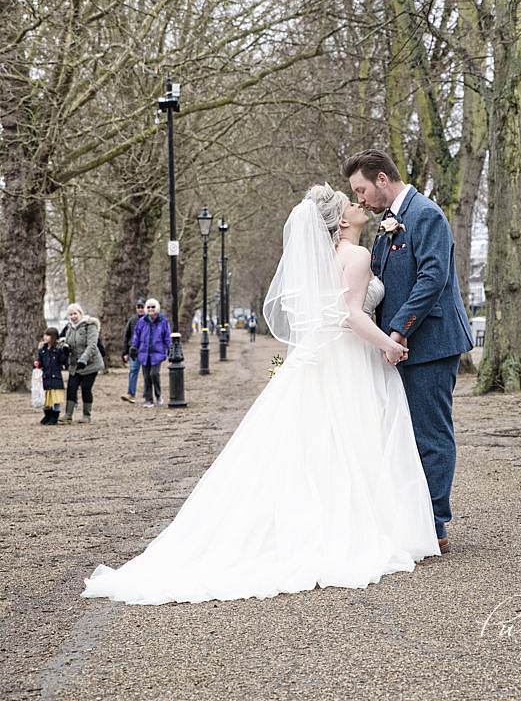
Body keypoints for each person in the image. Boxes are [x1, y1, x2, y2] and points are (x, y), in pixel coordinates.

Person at [81, 184, 439, 605]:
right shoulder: (356, 256)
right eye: (351, 203)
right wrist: (388, 344)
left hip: (319, 359)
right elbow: (350, 315)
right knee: (349, 440)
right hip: (347, 358)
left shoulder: (327, 260)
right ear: (341, 221)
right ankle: (351, 527)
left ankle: (317, 524)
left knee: (319, 444)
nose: (359, 204)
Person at [342, 150, 474, 555]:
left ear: (382, 179)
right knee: (403, 433)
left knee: (431, 434)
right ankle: (410, 516)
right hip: (399, 346)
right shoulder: (387, 224)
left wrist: (398, 330)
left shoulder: (426, 214)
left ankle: (435, 524)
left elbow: (433, 277)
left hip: (431, 343)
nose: (360, 199)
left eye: (362, 189)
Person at [63, 304, 105, 424]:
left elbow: (92, 345)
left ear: (80, 314)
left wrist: (83, 360)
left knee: (86, 388)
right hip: (75, 364)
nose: (73, 316)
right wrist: (65, 347)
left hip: (90, 363)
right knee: (71, 387)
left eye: (75, 313)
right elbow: (67, 341)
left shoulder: (90, 325)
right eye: (70, 314)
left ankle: (86, 415)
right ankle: (68, 415)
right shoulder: (69, 327)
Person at [129, 298, 170, 408]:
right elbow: (136, 335)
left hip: (157, 353)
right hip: (144, 353)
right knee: (146, 376)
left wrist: (169, 348)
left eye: (153, 307)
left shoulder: (163, 321)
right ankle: (149, 399)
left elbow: (166, 335)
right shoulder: (142, 321)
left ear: (157, 308)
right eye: (149, 307)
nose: (151, 309)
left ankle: (158, 395)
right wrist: (133, 347)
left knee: (154, 374)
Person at [36, 328, 69, 425]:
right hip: (45, 378)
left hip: (56, 378)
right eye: (45, 335)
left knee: (55, 399)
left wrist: (65, 352)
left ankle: (54, 416)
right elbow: (40, 361)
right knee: (46, 399)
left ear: (53, 337)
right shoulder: (43, 350)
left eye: (48, 335)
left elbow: (64, 362)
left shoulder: (58, 350)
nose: (45, 337)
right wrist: (36, 364)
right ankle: (47, 415)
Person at [121, 299, 146, 404]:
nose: (140, 309)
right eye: (138, 307)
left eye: (142, 307)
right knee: (133, 371)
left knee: (147, 374)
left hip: (146, 351)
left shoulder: (149, 320)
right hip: (134, 351)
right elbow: (126, 336)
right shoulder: (132, 319)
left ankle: (147, 395)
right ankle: (131, 394)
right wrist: (125, 352)